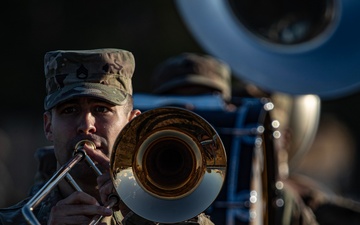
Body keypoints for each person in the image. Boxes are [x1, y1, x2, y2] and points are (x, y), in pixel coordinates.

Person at [0, 48, 215, 225]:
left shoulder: (177, 219)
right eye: (69, 110)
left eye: (102, 109)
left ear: (132, 125)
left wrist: (140, 213)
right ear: (48, 127)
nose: (86, 126)